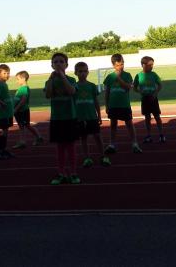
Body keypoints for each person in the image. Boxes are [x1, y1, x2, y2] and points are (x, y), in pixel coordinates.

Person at [45, 52, 81, 185]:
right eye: (56, 62)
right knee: (60, 148)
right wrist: (51, 79)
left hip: (70, 117)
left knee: (71, 147)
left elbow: (72, 91)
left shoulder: (71, 80)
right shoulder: (50, 81)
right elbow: (48, 94)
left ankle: (73, 173)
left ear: (66, 65)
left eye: (61, 62)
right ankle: (60, 173)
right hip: (57, 119)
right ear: (52, 65)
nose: (58, 64)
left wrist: (62, 76)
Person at [74, 62, 111, 167]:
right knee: (83, 138)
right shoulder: (74, 87)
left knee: (97, 136)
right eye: (80, 71)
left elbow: (96, 101)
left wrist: (99, 115)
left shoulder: (92, 86)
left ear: (88, 72)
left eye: (85, 71)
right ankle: (87, 158)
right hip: (80, 117)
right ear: (76, 73)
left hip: (92, 116)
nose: (83, 73)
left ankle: (103, 156)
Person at [103, 53, 142, 154]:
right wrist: (107, 105)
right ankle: (112, 144)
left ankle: (134, 143)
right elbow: (107, 93)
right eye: (118, 65)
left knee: (129, 123)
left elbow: (128, 87)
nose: (120, 66)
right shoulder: (109, 77)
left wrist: (119, 78)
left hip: (124, 105)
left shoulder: (127, 75)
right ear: (113, 65)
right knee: (113, 124)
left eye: (122, 64)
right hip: (113, 105)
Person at [134, 56, 165, 143]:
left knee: (157, 116)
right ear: (143, 65)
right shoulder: (138, 76)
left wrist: (155, 94)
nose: (152, 66)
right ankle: (148, 135)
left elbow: (160, 85)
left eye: (152, 65)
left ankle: (161, 134)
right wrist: (140, 91)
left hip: (153, 98)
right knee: (147, 118)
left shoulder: (154, 74)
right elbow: (134, 87)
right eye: (150, 65)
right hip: (145, 99)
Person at [12, 71, 43, 149]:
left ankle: (35, 138)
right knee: (23, 126)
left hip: (22, 111)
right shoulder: (21, 88)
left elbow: (23, 100)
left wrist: (16, 109)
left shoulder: (25, 88)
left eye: (18, 79)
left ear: (23, 79)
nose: (17, 81)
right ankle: (25, 140)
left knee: (25, 125)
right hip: (19, 111)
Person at [0, 64, 15, 160]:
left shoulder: (4, 83)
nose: (7, 75)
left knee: (6, 131)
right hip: (4, 113)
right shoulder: (0, 84)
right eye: (4, 73)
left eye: (8, 73)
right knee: (4, 132)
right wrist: (2, 104)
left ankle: (3, 149)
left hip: (8, 112)